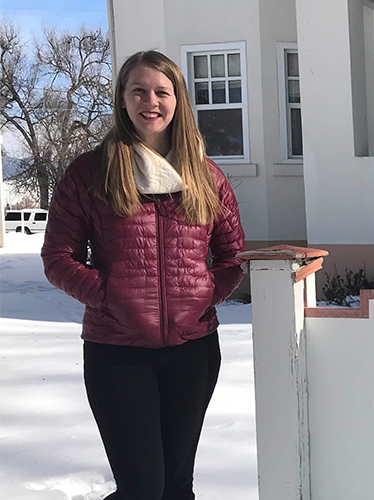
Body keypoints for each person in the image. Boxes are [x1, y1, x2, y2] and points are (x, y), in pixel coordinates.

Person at [41, 50, 245, 500]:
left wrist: (204, 293)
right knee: (141, 488)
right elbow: (58, 257)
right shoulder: (89, 173)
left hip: (193, 352)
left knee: (176, 487)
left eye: (161, 91)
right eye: (138, 90)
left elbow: (233, 256)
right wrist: (112, 297)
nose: (149, 101)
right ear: (122, 100)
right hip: (117, 352)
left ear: (178, 100)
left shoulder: (206, 177)